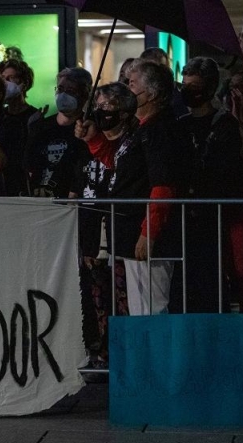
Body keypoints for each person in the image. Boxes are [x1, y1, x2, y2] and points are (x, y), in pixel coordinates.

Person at [77, 60, 186, 316]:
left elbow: (163, 185)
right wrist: (94, 139)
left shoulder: (160, 130)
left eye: (133, 83)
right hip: (130, 234)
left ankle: (155, 356)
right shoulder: (141, 129)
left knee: (151, 308)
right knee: (140, 309)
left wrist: (149, 233)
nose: (127, 88)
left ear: (153, 93)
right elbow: (120, 166)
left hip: (146, 236)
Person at [179, 58, 243, 314]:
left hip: (225, 211)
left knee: (238, 273)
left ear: (210, 88)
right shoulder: (179, 125)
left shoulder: (226, 124)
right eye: (185, 85)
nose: (187, 92)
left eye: (194, 87)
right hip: (192, 217)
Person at [75, 82, 135, 382]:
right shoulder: (89, 142)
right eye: (97, 107)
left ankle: (127, 354)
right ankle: (101, 351)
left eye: (107, 107)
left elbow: (114, 163)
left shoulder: (132, 141)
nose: (101, 112)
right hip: (92, 230)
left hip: (120, 231)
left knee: (124, 295)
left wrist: (95, 140)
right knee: (96, 294)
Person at [27, 67, 92, 199]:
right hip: (37, 200)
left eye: (71, 91)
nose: (63, 95)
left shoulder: (87, 128)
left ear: (84, 95)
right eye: (60, 89)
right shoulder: (42, 127)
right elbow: (28, 164)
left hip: (69, 204)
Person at [0, 59, 42, 138]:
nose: (5, 82)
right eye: (3, 78)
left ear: (24, 84)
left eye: (11, 78)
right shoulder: (0, 115)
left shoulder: (33, 116)